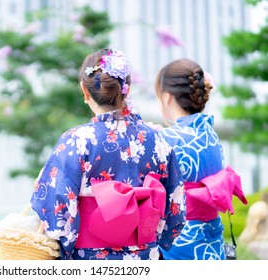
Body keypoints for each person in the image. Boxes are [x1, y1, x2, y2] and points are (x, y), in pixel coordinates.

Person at [30, 48, 185, 260]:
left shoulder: (77, 141)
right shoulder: (159, 142)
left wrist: (66, 248)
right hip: (145, 257)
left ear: (85, 91)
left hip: (90, 259)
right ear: (126, 90)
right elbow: (175, 212)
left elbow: (55, 210)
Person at [154, 58, 247, 260]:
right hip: (211, 240)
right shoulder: (211, 135)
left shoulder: (166, 139)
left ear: (167, 97)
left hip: (180, 243)